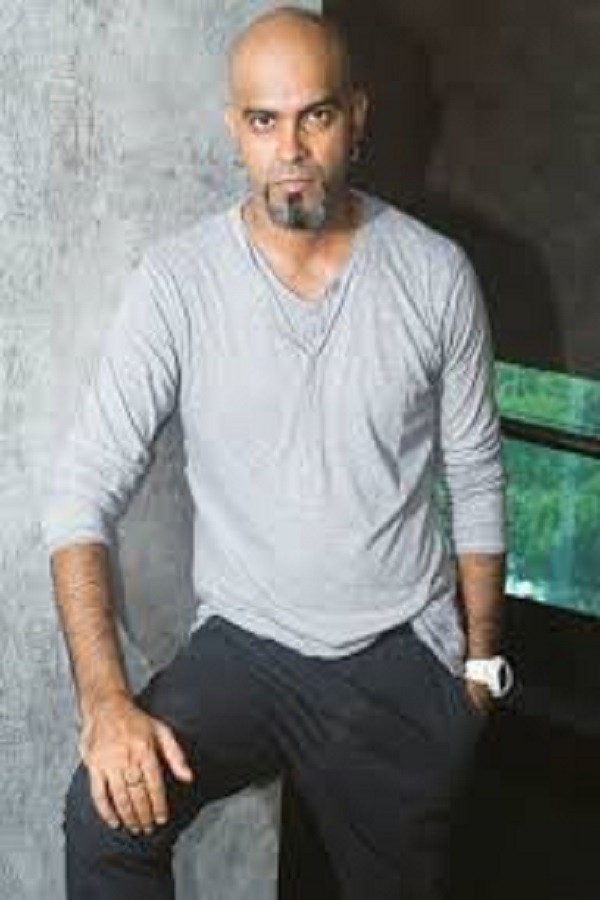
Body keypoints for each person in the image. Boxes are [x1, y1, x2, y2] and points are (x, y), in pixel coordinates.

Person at [44, 6, 512, 899]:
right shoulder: (178, 282)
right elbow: (80, 495)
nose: (290, 149)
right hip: (245, 649)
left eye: (316, 116)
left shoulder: (435, 274)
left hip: (396, 655)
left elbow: (478, 474)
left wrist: (480, 667)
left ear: (357, 117)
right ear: (235, 130)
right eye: (264, 121)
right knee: (103, 818)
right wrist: (105, 704)